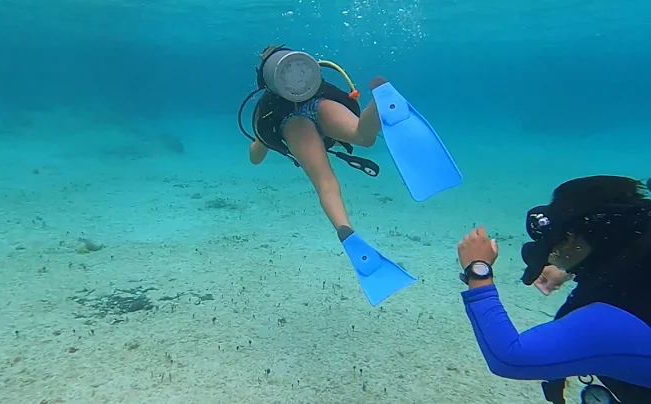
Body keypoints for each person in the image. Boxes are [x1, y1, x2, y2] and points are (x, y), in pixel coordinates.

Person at [236, 44, 416, 306]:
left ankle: (345, 230)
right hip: (321, 104)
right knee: (362, 135)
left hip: (291, 123)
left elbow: (255, 159)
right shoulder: (319, 85)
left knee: (325, 182)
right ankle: (379, 104)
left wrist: (262, 140)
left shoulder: (268, 106)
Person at [455, 175, 651, 403]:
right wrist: (573, 267)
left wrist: (478, 270)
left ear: (572, 239)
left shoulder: (613, 319)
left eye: (560, 238)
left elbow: (509, 358)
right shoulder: (637, 244)